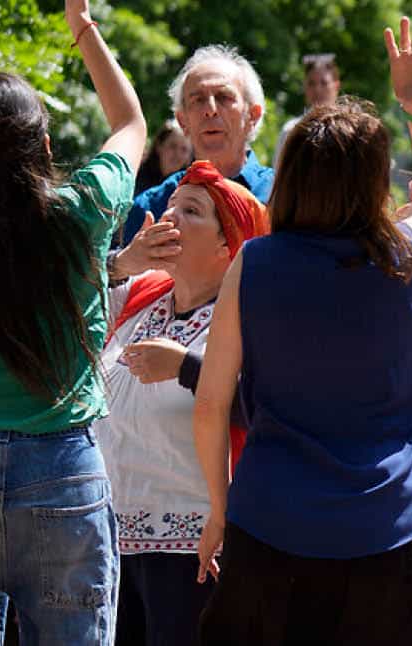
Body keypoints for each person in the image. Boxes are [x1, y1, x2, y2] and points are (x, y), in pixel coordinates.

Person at [191, 17, 412, 644]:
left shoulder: (253, 264)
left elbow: (210, 404)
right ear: (373, 180)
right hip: (387, 533)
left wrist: (218, 508)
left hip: (269, 529)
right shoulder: (404, 254)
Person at [0, 0, 146, 641]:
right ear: (42, 145)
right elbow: (130, 120)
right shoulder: (83, 205)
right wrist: (83, 27)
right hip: (63, 469)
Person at [97, 160, 269, 646]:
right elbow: (50, 299)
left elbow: (268, 406)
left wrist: (187, 367)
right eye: (168, 206)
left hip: (196, 551)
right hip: (110, 541)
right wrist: (119, 263)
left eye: (190, 210)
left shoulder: (249, 317)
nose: (168, 217)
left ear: (226, 244)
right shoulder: (139, 295)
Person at [120, 45, 272, 249]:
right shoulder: (151, 208)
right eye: (198, 100)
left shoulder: (282, 197)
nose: (210, 110)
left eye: (224, 97)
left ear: (252, 115)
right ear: (182, 121)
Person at [273, 53, 341, 168]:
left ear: (336, 86)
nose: (317, 89)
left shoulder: (348, 128)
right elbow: (278, 175)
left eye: (324, 83)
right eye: (311, 83)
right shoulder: (291, 130)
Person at [136, 119, 194, 194]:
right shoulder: (137, 174)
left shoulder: (190, 187)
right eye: (172, 146)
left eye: (184, 149)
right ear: (159, 146)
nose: (177, 154)